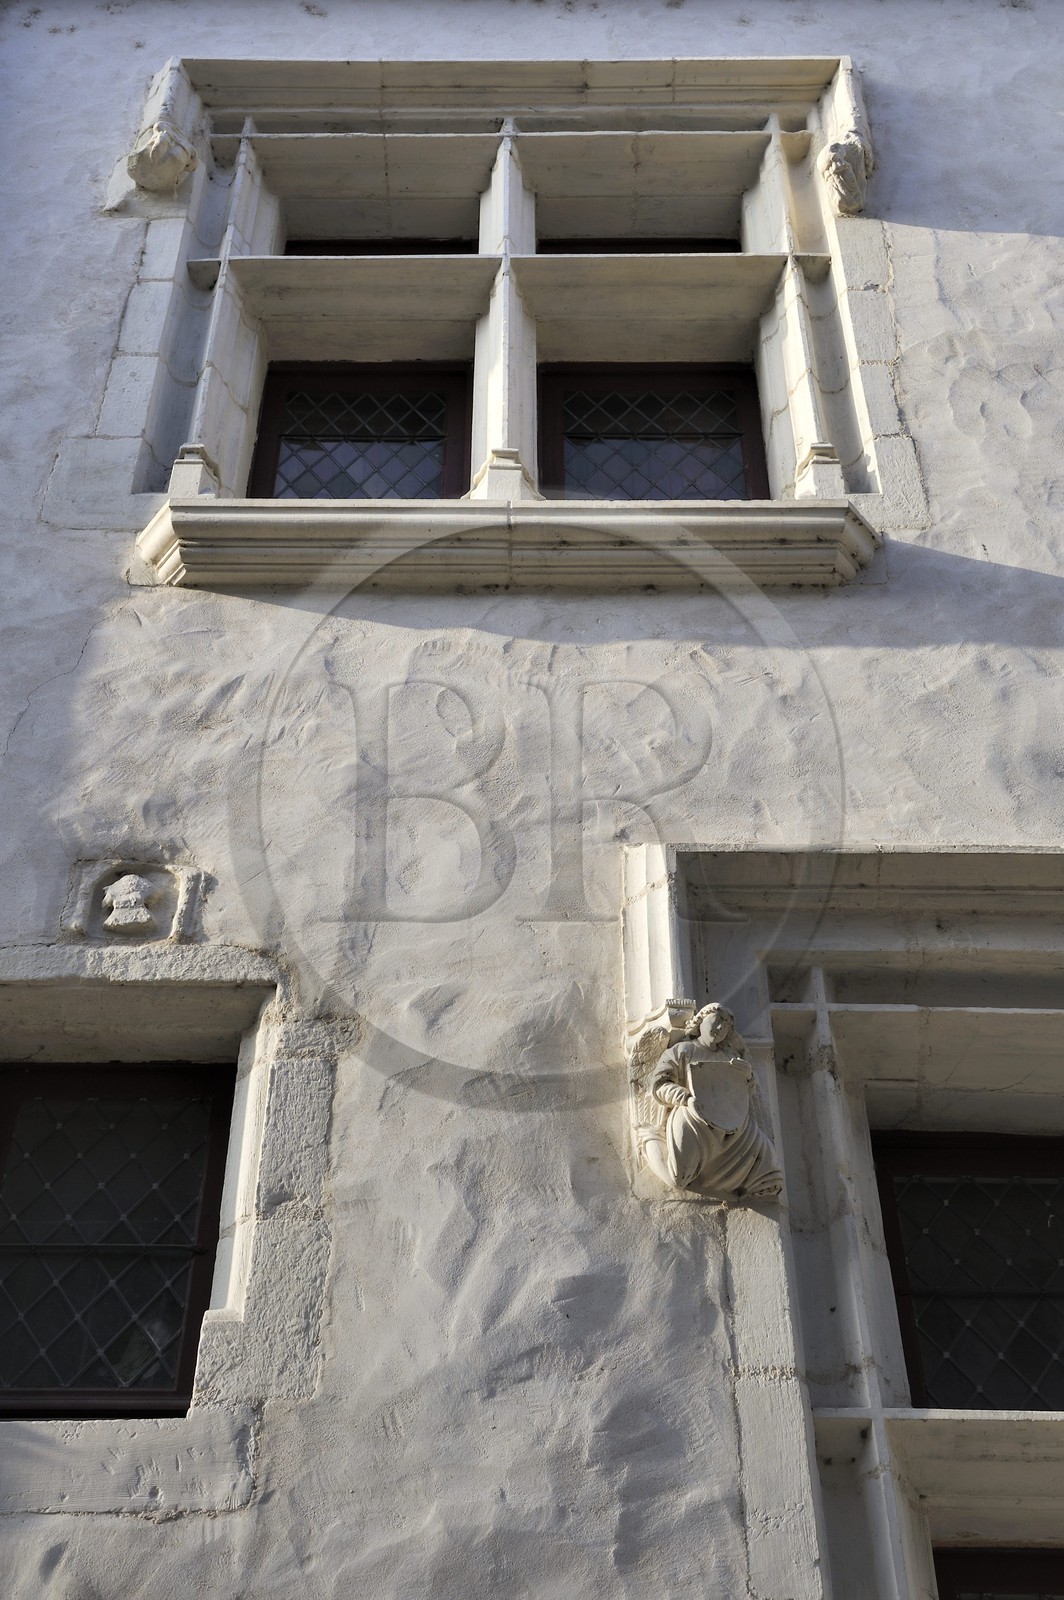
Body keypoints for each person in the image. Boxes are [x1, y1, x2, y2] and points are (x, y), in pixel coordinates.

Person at [638, 1002, 782, 1202]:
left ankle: (758, 1181)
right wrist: (686, 1098)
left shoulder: (729, 1056)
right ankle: (653, 1143)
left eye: (726, 1026)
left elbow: (741, 1092)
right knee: (678, 1177)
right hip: (693, 1117)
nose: (720, 1028)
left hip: (731, 1123)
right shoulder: (682, 1051)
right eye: (716, 1021)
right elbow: (659, 1085)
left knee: (764, 1153)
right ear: (701, 1021)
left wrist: (747, 1077)